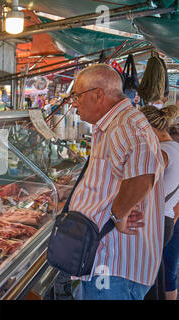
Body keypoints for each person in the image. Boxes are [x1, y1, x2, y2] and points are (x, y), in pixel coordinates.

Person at [69, 64, 165, 300]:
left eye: (76, 96)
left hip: (115, 265)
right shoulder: (114, 125)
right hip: (104, 258)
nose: (73, 103)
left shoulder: (127, 126)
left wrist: (118, 216)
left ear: (98, 94)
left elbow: (142, 178)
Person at [140, 105, 179, 300]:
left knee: (146, 279)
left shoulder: (161, 152)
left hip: (154, 222)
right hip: (167, 220)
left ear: (150, 128)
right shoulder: (176, 148)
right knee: (156, 275)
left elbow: (143, 185)